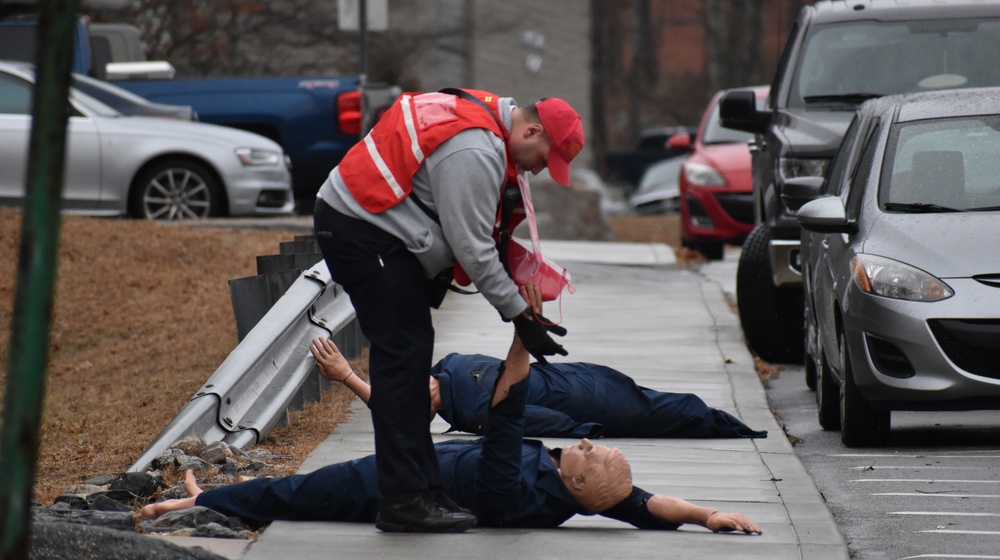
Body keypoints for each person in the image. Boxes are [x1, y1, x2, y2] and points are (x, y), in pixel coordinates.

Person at [142, 335, 762, 536]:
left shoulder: (510, 484)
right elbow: (649, 507)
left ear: (576, 481)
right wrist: (709, 516)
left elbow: (508, 405)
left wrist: (522, 336)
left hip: (391, 483)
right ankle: (216, 495)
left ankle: (194, 502)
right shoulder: (574, 493)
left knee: (302, 495)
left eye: (591, 453)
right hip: (419, 467)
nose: (589, 442)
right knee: (298, 489)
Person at [313, 88, 584, 533]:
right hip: (363, 229)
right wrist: (520, 317)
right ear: (532, 130)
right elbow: (473, 250)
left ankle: (423, 488)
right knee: (402, 358)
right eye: (543, 158)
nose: (539, 170)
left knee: (413, 354)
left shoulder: (485, 121)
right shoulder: (476, 149)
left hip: (373, 226)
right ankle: (403, 499)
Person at [309, 337, 767, 440]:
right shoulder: (475, 410)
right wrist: (348, 378)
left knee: (651, 400)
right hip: (584, 399)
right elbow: (540, 420)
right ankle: (732, 427)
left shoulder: (445, 368)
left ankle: (722, 422)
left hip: (576, 376)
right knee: (665, 412)